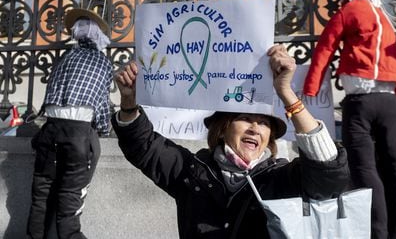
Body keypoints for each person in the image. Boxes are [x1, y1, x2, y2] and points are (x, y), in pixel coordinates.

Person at [113, 44, 350, 239]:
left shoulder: (280, 177)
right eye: (245, 119)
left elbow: (329, 174)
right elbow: (144, 146)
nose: (255, 129)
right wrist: (129, 102)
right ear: (223, 128)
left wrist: (286, 93)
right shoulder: (193, 171)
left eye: (264, 123)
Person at [303, 0, 396, 239]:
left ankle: (379, 233)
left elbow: (325, 49)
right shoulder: (385, 19)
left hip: (360, 102)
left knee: (364, 170)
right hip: (390, 102)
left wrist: (311, 88)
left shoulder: (349, 11)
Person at [27, 8, 113, 239]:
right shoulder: (102, 62)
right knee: (69, 202)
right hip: (78, 135)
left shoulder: (64, 58)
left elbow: (49, 97)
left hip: (50, 130)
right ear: (99, 36)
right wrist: (104, 129)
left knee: (41, 197)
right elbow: (101, 104)